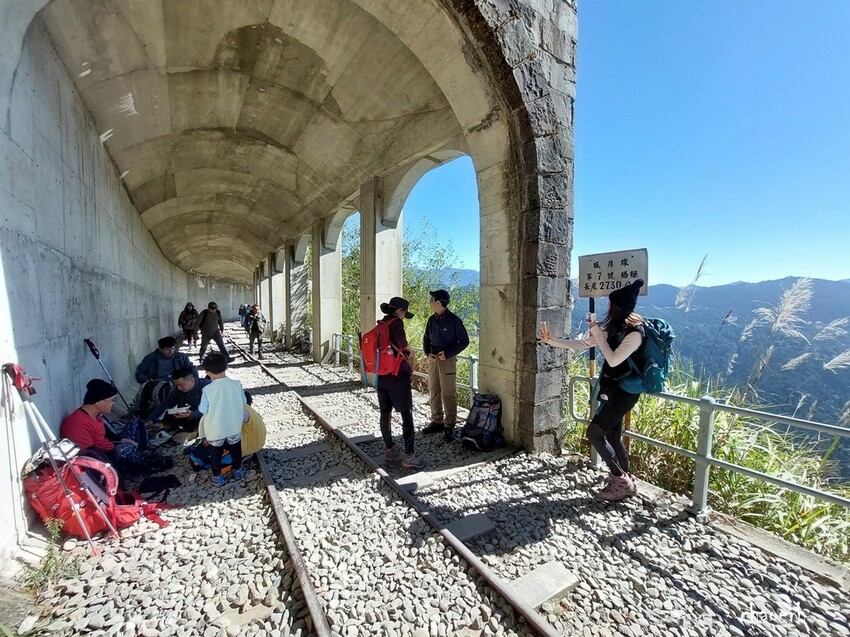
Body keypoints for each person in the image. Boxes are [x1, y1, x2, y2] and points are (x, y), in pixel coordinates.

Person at [540, 279, 647, 501]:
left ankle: (620, 479)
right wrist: (553, 342)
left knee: (594, 433)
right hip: (613, 388)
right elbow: (584, 344)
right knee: (612, 435)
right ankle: (627, 479)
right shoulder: (614, 327)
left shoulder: (635, 333)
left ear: (616, 307)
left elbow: (614, 359)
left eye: (611, 305)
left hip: (626, 392)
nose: (608, 308)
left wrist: (597, 331)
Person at [60, 379, 156, 476]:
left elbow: (108, 435)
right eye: (112, 400)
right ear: (99, 401)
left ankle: (143, 451)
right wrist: (117, 448)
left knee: (136, 422)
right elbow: (90, 454)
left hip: (110, 447)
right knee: (125, 448)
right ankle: (145, 463)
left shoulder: (97, 415)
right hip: (106, 459)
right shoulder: (77, 423)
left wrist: (122, 440)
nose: (114, 403)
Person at [376, 297, 425, 470]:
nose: (404, 317)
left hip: (382, 375)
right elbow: (403, 345)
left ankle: (390, 449)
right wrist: (410, 353)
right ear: (400, 311)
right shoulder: (396, 323)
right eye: (404, 313)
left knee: (385, 413)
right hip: (398, 375)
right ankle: (409, 456)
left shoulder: (381, 324)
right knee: (406, 414)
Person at [421, 289, 470, 441]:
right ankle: (437, 421)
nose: (429, 303)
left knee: (448, 393)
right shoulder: (431, 320)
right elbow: (426, 338)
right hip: (433, 360)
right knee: (434, 390)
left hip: (447, 361)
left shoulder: (455, 320)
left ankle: (450, 425)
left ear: (439, 303)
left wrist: (447, 354)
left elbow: (464, 341)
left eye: (432, 300)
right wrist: (427, 352)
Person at [198, 353, 247, 486]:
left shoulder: (207, 389)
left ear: (208, 372)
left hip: (215, 429)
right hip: (233, 426)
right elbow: (244, 401)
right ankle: (237, 470)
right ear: (226, 367)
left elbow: (202, 410)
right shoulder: (236, 384)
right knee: (236, 449)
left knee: (215, 453)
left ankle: (217, 476)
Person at [134, 336, 197, 418]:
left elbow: (191, 367)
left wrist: (195, 379)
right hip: (157, 384)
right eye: (167, 349)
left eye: (173, 348)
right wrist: (148, 381)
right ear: (160, 348)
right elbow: (140, 372)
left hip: (177, 383)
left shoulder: (180, 357)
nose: (170, 351)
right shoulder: (151, 358)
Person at [146, 367, 211, 432]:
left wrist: (193, 414)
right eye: (177, 385)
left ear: (192, 381)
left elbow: (212, 408)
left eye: (181, 385)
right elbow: (166, 403)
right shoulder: (179, 390)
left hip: (211, 415)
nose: (179, 388)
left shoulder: (208, 387)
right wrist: (151, 418)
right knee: (170, 417)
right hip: (194, 412)